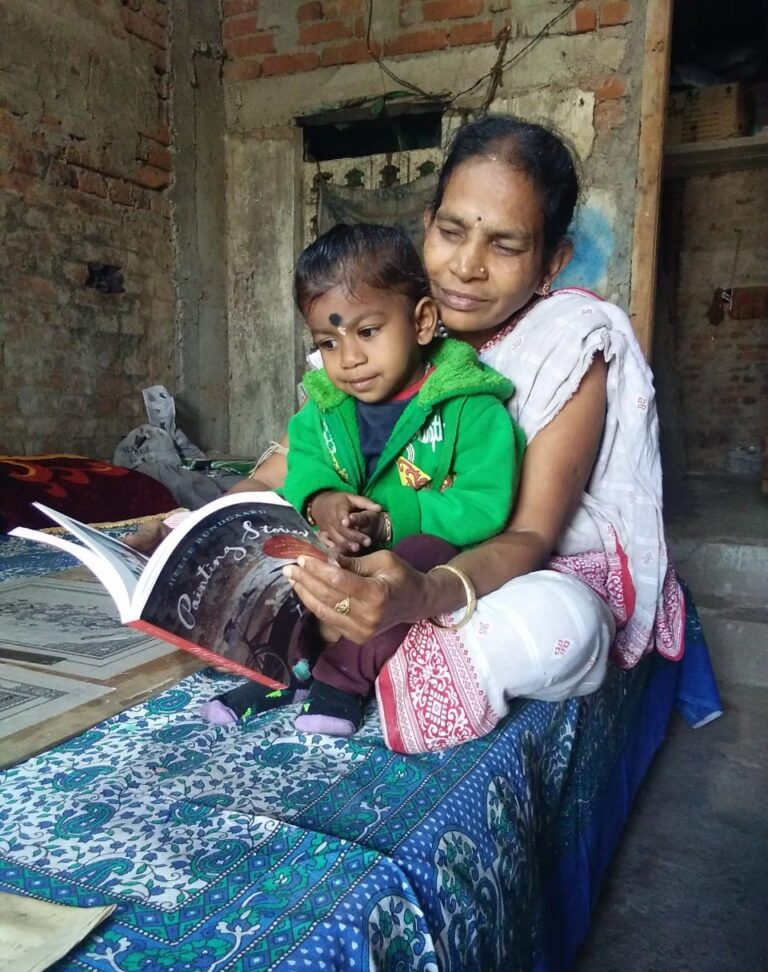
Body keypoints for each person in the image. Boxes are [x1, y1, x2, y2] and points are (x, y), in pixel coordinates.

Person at [131, 115, 685, 755]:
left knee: (567, 626)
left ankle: (376, 656)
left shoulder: (570, 341)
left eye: (505, 246)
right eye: (451, 232)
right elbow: (289, 469)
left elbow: (530, 533)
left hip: (496, 561)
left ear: (550, 262)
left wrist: (421, 592)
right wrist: (201, 528)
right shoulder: (381, 318)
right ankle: (331, 651)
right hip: (369, 551)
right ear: (428, 224)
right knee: (275, 557)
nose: (468, 267)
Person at [200, 222, 525, 737]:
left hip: (414, 552)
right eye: (328, 341)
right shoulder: (325, 406)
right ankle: (278, 665)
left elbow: (487, 504)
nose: (349, 359)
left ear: (421, 322)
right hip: (338, 546)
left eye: (367, 332)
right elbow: (305, 461)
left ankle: (342, 675)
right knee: (279, 547)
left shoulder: (471, 407)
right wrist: (322, 499)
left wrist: (396, 523)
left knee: (416, 557)